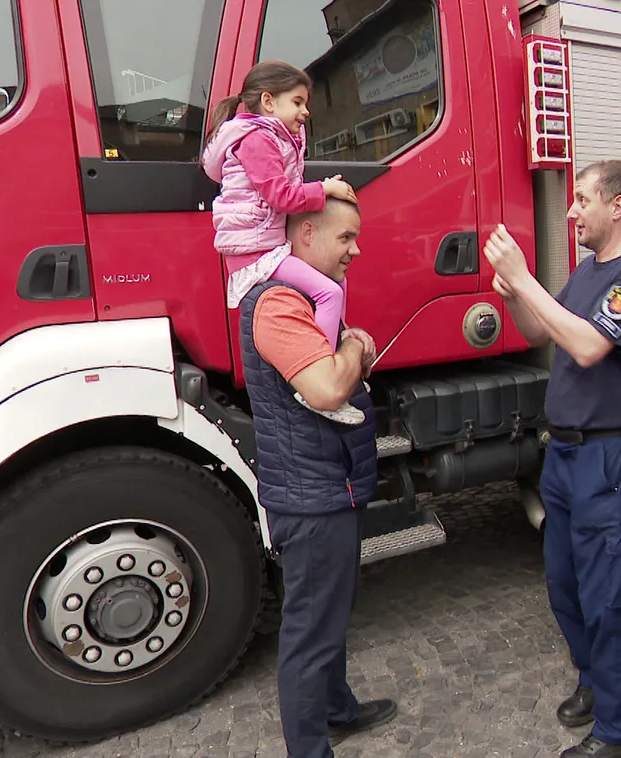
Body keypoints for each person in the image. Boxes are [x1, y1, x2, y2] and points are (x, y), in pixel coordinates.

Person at [484, 159, 621, 758]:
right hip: (562, 455)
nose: (571, 210)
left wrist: (525, 276)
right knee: (565, 585)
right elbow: (543, 334)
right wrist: (515, 294)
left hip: (608, 459)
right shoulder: (589, 272)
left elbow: (588, 345)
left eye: (582, 198)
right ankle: (595, 681)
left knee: (609, 594)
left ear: (618, 206)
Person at [240, 197, 396, 758]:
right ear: (306, 233)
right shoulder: (279, 304)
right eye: (346, 237)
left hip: (330, 488)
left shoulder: (303, 301)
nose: (356, 249)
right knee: (309, 635)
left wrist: (350, 352)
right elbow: (328, 389)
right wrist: (354, 345)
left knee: (328, 620)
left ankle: (337, 709)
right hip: (312, 501)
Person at [204, 59, 364, 424]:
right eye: (298, 102)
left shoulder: (271, 136)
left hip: (263, 243)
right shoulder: (258, 140)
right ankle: (324, 373)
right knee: (330, 292)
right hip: (256, 250)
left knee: (335, 281)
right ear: (268, 101)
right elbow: (281, 196)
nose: (305, 111)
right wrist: (325, 188)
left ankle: (335, 361)